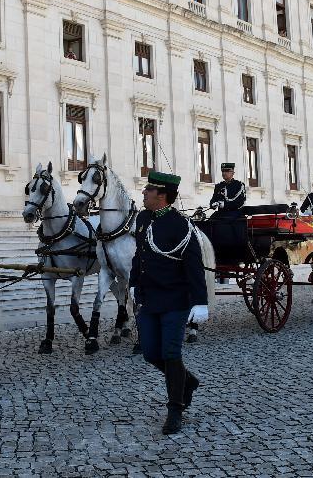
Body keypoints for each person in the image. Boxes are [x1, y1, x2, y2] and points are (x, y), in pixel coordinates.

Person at [129, 171, 208, 435]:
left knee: (171, 353)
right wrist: (132, 284)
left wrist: (200, 302)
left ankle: (175, 409)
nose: (143, 193)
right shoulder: (142, 218)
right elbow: (139, 255)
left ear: (161, 195)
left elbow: (194, 265)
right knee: (151, 352)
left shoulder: (180, 225)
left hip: (176, 299)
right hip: (149, 299)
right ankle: (188, 380)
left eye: (148, 190)